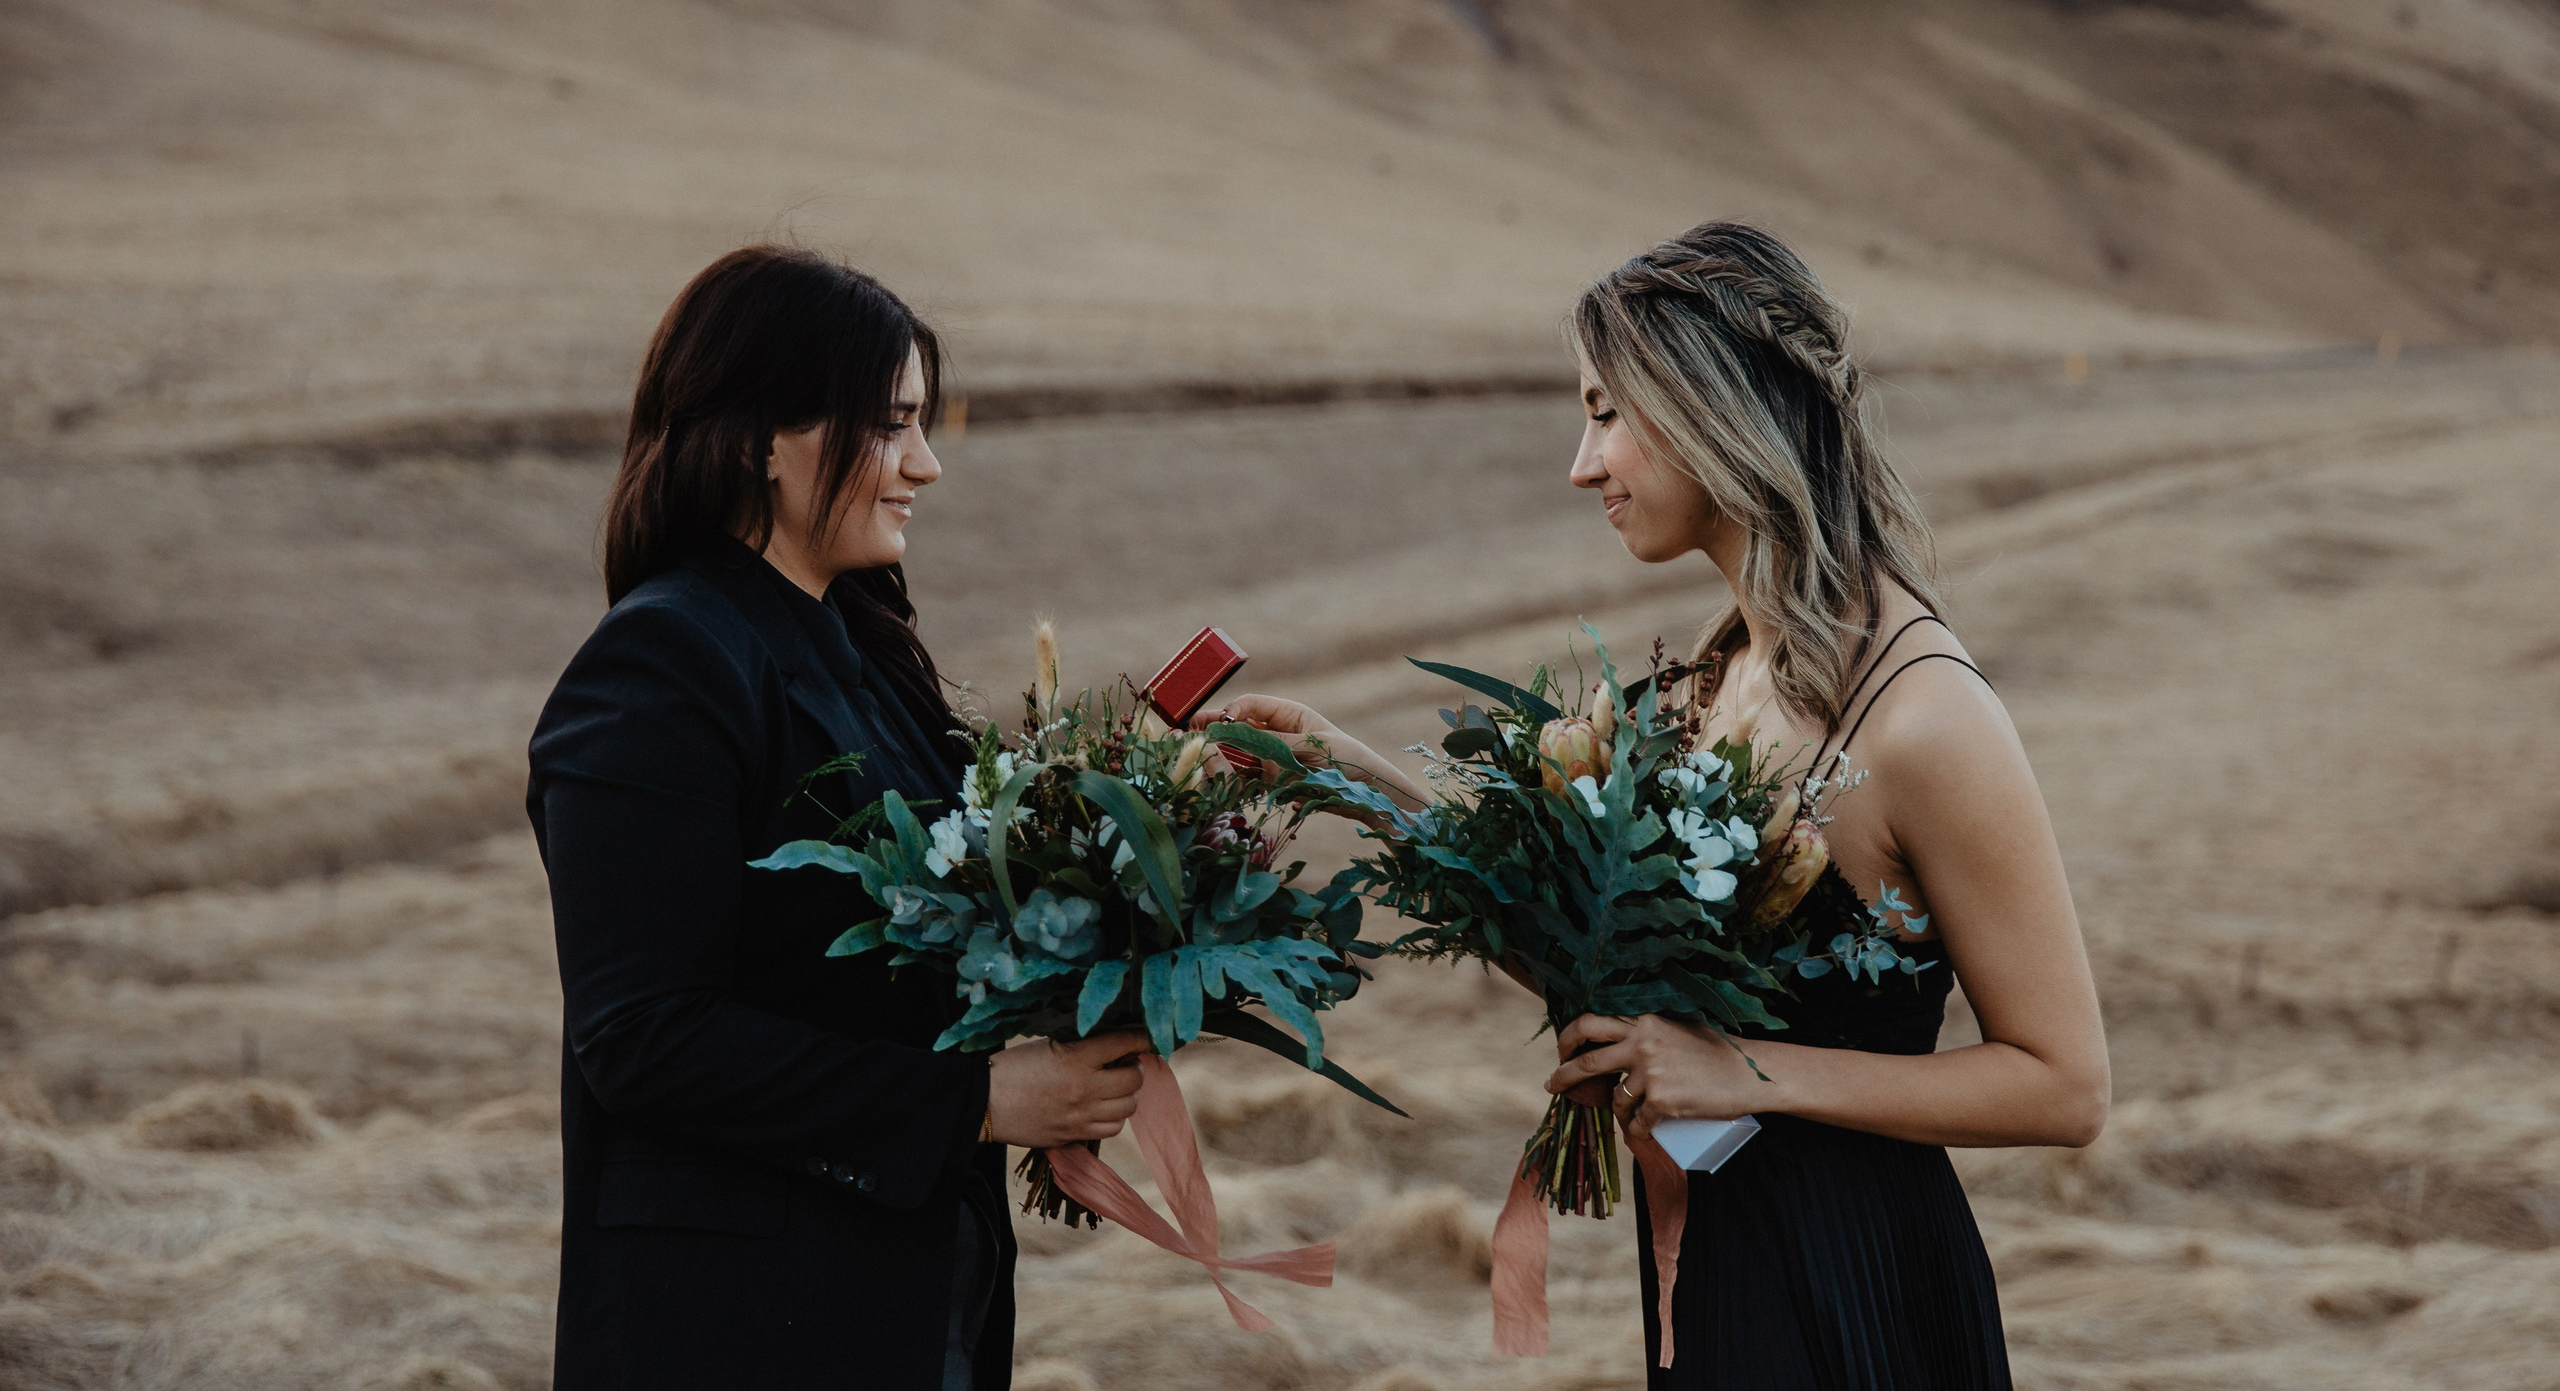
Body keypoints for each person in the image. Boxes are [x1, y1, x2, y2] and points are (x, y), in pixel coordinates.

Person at [1218, 224, 2108, 1388]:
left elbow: (2065, 1083)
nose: (1580, 464)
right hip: (1708, 1267)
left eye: (1606, 412)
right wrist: (1350, 779)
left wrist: (1745, 1073)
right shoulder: (1709, 676)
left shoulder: (1924, 716)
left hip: (1859, 1291)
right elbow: (1607, 984)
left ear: (1712, 409)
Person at [527, 246, 1148, 1391]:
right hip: (732, 1327)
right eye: (893, 424)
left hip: (906, 1298)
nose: (927, 465)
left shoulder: (858, 649)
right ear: (769, 437)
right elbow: (642, 1037)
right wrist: (973, 1102)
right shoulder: (662, 663)